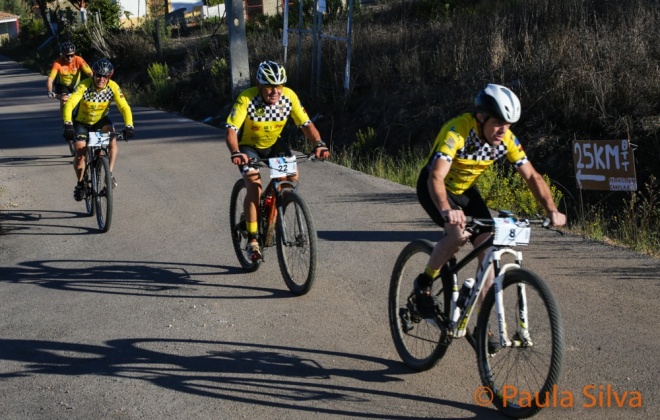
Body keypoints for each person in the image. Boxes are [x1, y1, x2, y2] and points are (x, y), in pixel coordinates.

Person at [414, 83, 566, 331]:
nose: (502, 131)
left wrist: (551, 210)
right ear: (481, 117)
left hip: (465, 192)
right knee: (458, 234)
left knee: (488, 250)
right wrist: (446, 210)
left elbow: (531, 176)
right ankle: (424, 282)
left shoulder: (506, 139)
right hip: (435, 187)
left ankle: (483, 328)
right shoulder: (457, 131)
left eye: (508, 125)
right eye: (498, 123)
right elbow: (436, 178)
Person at [225, 60, 329, 260]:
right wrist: (236, 152)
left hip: (273, 144)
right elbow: (231, 129)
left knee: (290, 177)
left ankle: (272, 211)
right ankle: (253, 240)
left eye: (279, 86)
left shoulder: (289, 97)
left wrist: (319, 143)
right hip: (248, 147)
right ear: (259, 85)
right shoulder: (246, 98)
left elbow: (306, 124)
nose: (275, 91)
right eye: (270, 87)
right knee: (254, 186)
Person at [63, 58, 134, 201]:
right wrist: (68, 124)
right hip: (81, 123)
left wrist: (129, 125)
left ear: (109, 76)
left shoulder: (113, 87)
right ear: (93, 74)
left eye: (105, 76)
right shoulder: (84, 85)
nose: (101, 79)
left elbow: (124, 107)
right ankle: (81, 183)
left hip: (100, 122)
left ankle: (109, 175)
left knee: (112, 138)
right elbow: (70, 103)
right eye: (98, 75)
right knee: (80, 156)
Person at [46, 41, 93, 112]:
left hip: (76, 85)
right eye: (67, 56)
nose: (70, 58)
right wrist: (50, 91)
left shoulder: (79, 60)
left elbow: (90, 74)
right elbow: (50, 79)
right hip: (63, 86)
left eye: (72, 55)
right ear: (62, 55)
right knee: (64, 99)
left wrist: (95, 84)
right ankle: (65, 119)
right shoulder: (57, 62)